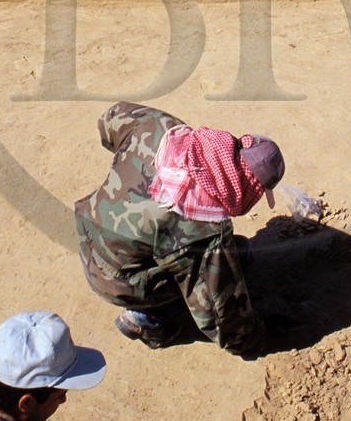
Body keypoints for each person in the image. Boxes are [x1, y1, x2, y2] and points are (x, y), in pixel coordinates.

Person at [75, 101, 284, 355]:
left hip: (88, 232)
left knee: (234, 253)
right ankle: (146, 317)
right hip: (111, 279)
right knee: (228, 263)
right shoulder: (205, 231)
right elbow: (221, 316)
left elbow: (111, 117)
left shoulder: (164, 129)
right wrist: (256, 340)